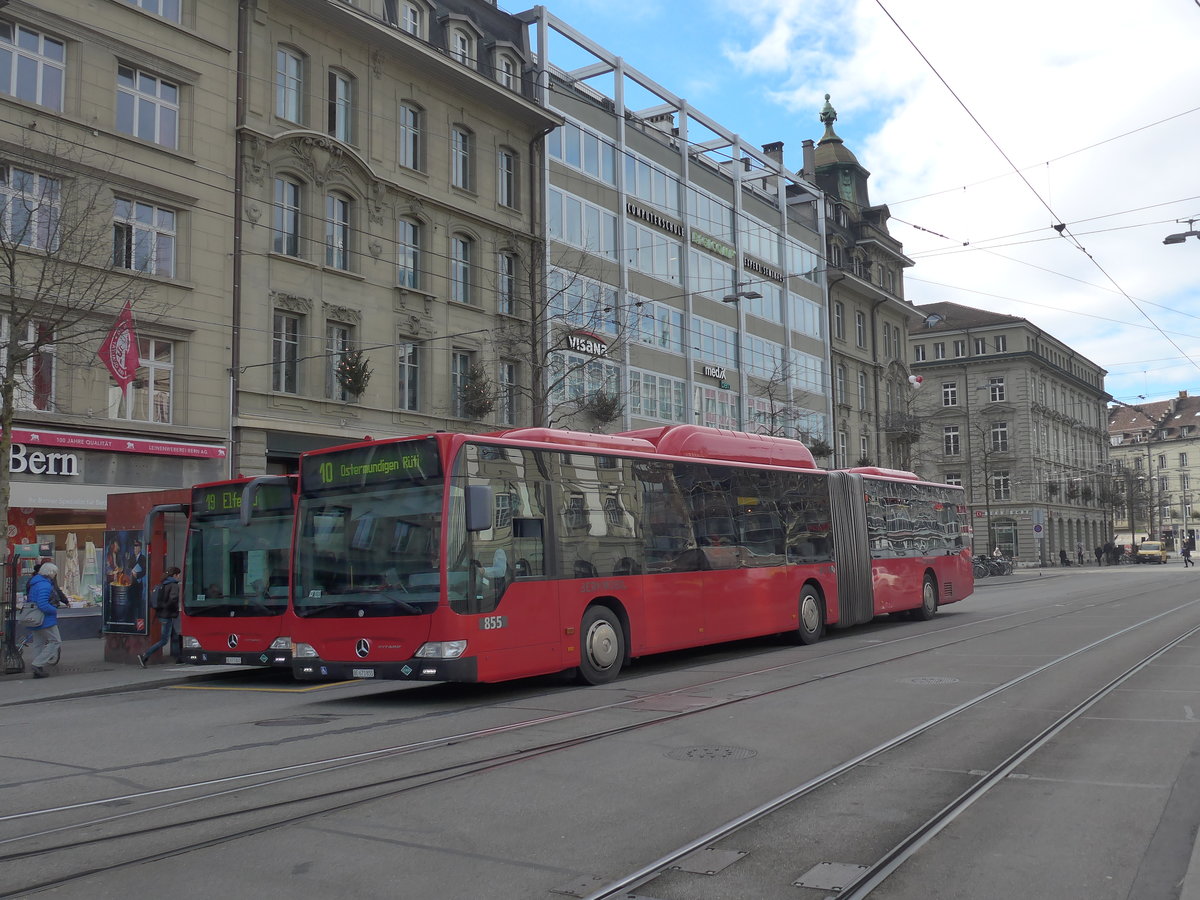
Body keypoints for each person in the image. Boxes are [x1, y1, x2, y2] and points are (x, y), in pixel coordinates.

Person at [138, 566, 182, 667]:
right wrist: (172, 608)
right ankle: (145, 656)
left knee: (175, 635)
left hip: (162, 614)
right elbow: (173, 600)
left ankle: (178, 658)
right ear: (175, 575)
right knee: (164, 640)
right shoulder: (174, 585)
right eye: (178, 574)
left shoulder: (164, 583)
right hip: (168, 615)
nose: (179, 576)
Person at [25, 562, 62, 678]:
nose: (55, 575)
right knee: (56, 641)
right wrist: (54, 610)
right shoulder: (44, 585)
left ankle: (38, 669)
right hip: (44, 619)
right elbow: (43, 604)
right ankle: (37, 664)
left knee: (38, 643)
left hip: (34, 617)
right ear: (50, 572)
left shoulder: (35, 583)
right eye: (54, 573)